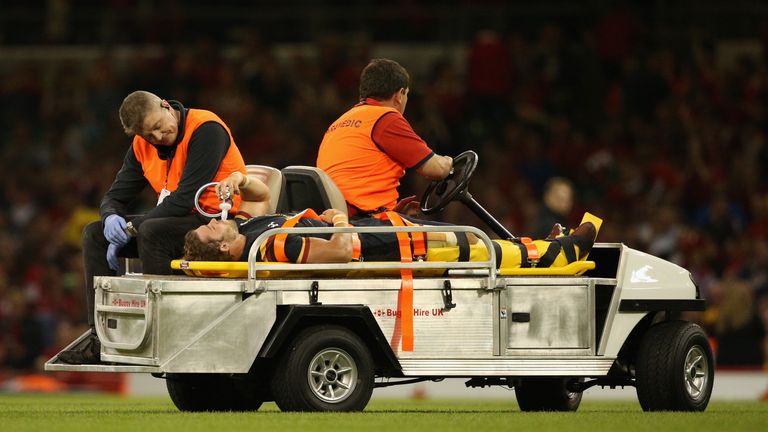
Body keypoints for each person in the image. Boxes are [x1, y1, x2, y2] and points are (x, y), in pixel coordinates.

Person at [58, 90, 247, 364]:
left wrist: (131, 227)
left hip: (214, 223)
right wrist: (112, 217)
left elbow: (184, 200)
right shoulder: (141, 145)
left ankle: (162, 332)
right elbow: (115, 196)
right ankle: (99, 338)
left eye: (159, 127)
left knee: (151, 230)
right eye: (149, 135)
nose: (158, 138)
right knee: (94, 234)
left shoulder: (206, 129)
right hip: (177, 223)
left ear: (166, 107)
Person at [183, 171, 597, 269]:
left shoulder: (251, 229)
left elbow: (259, 194)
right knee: (475, 248)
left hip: (384, 230)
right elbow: (341, 252)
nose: (215, 220)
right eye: (211, 227)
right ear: (221, 246)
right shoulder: (270, 246)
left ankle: (544, 245)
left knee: (474, 244)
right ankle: (555, 255)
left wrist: (237, 181)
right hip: (382, 243)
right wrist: (338, 217)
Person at [316, 58, 454, 218]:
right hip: (365, 222)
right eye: (406, 94)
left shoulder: (339, 123)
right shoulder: (386, 119)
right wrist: (449, 163)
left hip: (340, 217)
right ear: (399, 96)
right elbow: (437, 169)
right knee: (469, 237)